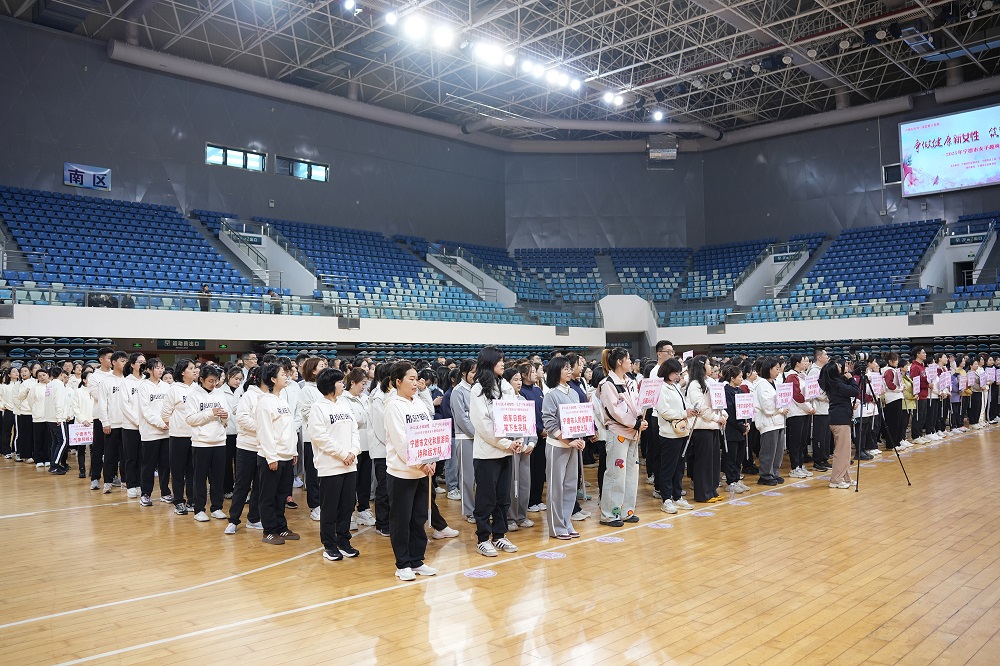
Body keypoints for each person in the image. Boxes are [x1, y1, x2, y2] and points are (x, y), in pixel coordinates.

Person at [383, 362, 439, 581]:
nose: (416, 383)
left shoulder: (419, 404)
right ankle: (403, 563)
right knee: (401, 520)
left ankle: (417, 560)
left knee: (418, 518)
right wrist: (421, 463)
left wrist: (432, 460)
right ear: (398, 382)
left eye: (417, 379)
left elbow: (429, 434)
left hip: (422, 472)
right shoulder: (393, 406)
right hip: (402, 473)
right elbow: (401, 442)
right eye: (411, 379)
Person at [469, 347, 521, 557]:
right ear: (489, 363)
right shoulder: (477, 389)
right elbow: (483, 424)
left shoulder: (505, 386)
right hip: (487, 454)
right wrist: (506, 443)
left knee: (502, 497)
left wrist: (517, 439)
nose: (503, 364)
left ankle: (499, 534)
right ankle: (483, 538)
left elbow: (515, 415)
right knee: (486, 498)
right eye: (499, 360)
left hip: (506, 451)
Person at [309, 367, 361, 561]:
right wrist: (342, 454)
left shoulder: (344, 404)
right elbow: (320, 437)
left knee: (347, 505)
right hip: (330, 465)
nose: (342, 384)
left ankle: (344, 541)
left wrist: (353, 451)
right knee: (330, 508)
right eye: (339, 382)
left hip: (350, 463)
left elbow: (354, 430)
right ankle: (329, 545)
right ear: (330, 385)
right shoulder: (318, 407)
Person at [597, 347, 645, 526]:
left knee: (631, 474)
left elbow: (637, 403)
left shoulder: (630, 381)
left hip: (633, 432)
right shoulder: (607, 383)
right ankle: (610, 514)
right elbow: (614, 411)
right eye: (628, 358)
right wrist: (635, 423)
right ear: (619, 361)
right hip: (618, 432)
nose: (631, 362)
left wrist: (640, 418)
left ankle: (626, 511)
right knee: (615, 474)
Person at [541, 356, 586, 540]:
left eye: (570, 368)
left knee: (570, 487)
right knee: (556, 488)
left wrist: (580, 437)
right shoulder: (551, 395)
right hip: (557, 446)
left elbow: (579, 420)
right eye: (565, 368)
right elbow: (549, 422)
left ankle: (567, 522)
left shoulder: (573, 393)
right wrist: (568, 440)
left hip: (573, 446)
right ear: (556, 372)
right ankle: (556, 526)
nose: (569, 371)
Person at [255, 363, 300, 545]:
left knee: (282, 496)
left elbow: (289, 428)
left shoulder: (282, 400)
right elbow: (264, 432)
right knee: (268, 496)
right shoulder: (265, 402)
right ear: (273, 379)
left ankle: (281, 528)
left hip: (286, 455)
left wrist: (293, 450)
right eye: (282, 374)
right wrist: (271, 457)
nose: (286, 376)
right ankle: (269, 531)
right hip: (272, 457)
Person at [185, 364, 229, 522]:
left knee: (218, 477)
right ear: (202, 379)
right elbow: (190, 419)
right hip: (201, 442)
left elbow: (226, 417)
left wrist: (225, 417)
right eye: (210, 381)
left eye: (216, 381)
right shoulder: (193, 395)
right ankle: (199, 509)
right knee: (200, 477)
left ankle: (217, 507)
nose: (213, 384)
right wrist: (210, 413)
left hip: (219, 441)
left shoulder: (220, 393)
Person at [227, 367, 264, 534]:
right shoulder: (248, 395)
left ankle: (254, 518)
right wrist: (263, 428)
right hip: (247, 447)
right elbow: (242, 419)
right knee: (242, 485)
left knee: (259, 485)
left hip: (263, 447)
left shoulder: (271, 396)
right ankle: (233, 520)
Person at [686, 356, 725, 503]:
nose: (711, 367)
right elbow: (701, 408)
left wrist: (723, 415)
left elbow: (720, 403)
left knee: (713, 461)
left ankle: (712, 490)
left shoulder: (711, 382)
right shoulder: (694, 384)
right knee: (703, 462)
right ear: (702, 366)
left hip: (713, 426)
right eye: (709, 364)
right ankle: (703, 493)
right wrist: (716, 418)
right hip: (702, 428)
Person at [342, 368, 377, 529]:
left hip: (368, 445)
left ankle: (363, 510)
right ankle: (348, 514)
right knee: (351, 483)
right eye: (362, 383)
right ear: (352, 383)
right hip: (353, 447)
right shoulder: (344, 398)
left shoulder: (366, 398)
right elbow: (353, 419)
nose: (364, 387)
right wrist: (367, 415)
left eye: (365, 384)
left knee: (364, 481)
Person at [162, 359, 197, 514]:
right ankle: (179, 501)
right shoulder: (174, 389)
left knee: (192, 470)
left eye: (195, 368)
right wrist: (175, 427)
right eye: (191, 368)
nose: (195, 370)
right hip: (178, 435)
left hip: (195, 436)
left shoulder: (198, 388)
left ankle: (192, 500)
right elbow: (165, 413)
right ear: (182, 372)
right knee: (178, 470)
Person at [504, 367, 536, 532]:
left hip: (525, 448)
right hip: (511, 447)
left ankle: (522, 516)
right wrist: (512, 443)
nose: (518, 383)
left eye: (519, 379)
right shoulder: (503, 401)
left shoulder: (524, 400)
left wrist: (531, 444)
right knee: (511, 484)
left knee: (524, 483)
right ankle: (510, 517)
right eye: (515, 379)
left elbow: (531, 424)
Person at [820, 358, 859, 489]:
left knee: (845, 451)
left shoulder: (836, 383)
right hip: (840, 420)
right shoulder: (837, 385)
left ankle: (845, 477)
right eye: (838, 366)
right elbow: (855, 391)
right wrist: (851, 378)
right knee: (842, 451)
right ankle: (836, 480)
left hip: (841, 418)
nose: (841, 367)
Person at [137, 358, 172, 506]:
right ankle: (145, 493)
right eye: (157, 367)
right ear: (149, 370)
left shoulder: (167, 387)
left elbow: (170, 407)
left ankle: (165, 492)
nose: (160, 370)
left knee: (165, 464)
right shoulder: (143, 386)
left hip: (166, 433)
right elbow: (146, 411)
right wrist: (161, 423)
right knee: (148, 465)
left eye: (162, 367)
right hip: (150, 432)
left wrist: (168, 423)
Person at [298, 357, 327, 522]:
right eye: (321, 366)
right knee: (313, 473)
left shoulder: (325, 388)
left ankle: (325, 503)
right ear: (313, 371)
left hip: (328, 436)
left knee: (325, 472)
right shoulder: (306, 390)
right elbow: (307, 413)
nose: (325, 368)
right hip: (312, 437)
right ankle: (315, 505)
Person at [97, 351, 128, 492]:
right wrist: (105, 422)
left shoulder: (129, 380)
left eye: (126, 361)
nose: (125, 363)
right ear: (114, 362)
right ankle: (108, 482)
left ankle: (126, 481)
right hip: (112, 424)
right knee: (110, 455)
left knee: (126, 455)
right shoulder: (106, 381)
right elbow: (102, 403)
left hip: (128, 424)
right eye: (122, 361)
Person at [450, 359, 477, 523]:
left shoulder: (476, 389)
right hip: (465, 438)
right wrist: (477, 434)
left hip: (479, 438)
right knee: (467, 477)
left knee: (479, 477)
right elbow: (461, 418)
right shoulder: (458, 391)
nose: (475, 375)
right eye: (473, 372)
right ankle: (469, 510)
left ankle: (479, 508)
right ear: (464, 373)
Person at [753, 357, 787, 486]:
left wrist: (783, 406)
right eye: (776, 369)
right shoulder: (761, 384)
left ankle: (774, 472)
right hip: (768, 422)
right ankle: (765, 475)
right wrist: (780, 408)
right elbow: (767, 406)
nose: (778, 371)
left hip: (779, 421)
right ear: (769, 369)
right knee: (768, 451)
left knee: (778, 451)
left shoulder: (775, 383)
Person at [368, 363, 391, 537]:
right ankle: (382, 523)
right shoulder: (377, 398)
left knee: (392, 489)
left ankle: (391, 520)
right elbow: (381, 429)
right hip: (383, 450)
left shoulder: (393, 395)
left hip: (394, 449)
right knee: (383, 488)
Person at [722, 364, 751, 494]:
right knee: (731, 457)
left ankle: (737, 478)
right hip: (732, 430)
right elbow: (730, 413)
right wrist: (741, 426)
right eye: (739, 377)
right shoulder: (726, 392)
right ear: (732, 378)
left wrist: (748, 423)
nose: (741, 379)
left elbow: (748, 410)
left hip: (742, 431)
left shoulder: (741, 392)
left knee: (739, 457)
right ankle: (730, 481)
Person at [121, 352, 146, 498]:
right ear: (132, 365)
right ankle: (131, 484)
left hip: (146, 426)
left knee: (143, 458)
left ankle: (140, 484)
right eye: (140, 362)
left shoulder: (146, 381)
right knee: (131, 457)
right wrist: (137, 421)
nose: (143, 364)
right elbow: (125, 406)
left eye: (144, 362)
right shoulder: (126, 382)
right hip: (130, 426)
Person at [807, 349, 832, 472]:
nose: (827, 357)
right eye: (825, 354)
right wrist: (827, 396)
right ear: (819, 357)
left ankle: (824, 458)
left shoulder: (824, 369)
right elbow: (813, 390)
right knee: (820, 436)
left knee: (826, 436)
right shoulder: (813, 371)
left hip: (827, 408)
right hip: (819, 408)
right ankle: (818, 460)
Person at [221, 365, 243, 498]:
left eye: (240, 379)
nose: (238, 382)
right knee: (227, 462)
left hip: (240, 432)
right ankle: (227, 488)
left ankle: (239, 489)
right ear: (228, 377)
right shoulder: (220, 391)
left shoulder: (243, 391)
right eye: (236, 378)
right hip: (227, 431)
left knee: (239, 463)